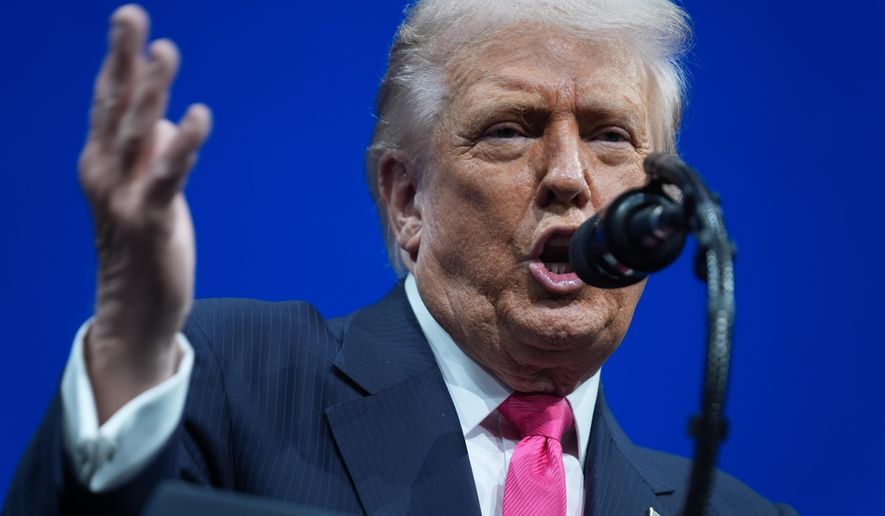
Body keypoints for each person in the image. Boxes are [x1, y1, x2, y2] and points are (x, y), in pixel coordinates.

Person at [5, 1, 796, 515]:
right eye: (509, 129)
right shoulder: (231, 382)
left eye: (610, 136)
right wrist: (128, 348)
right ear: (405, 201)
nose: (567, 176)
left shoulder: (733, 511)